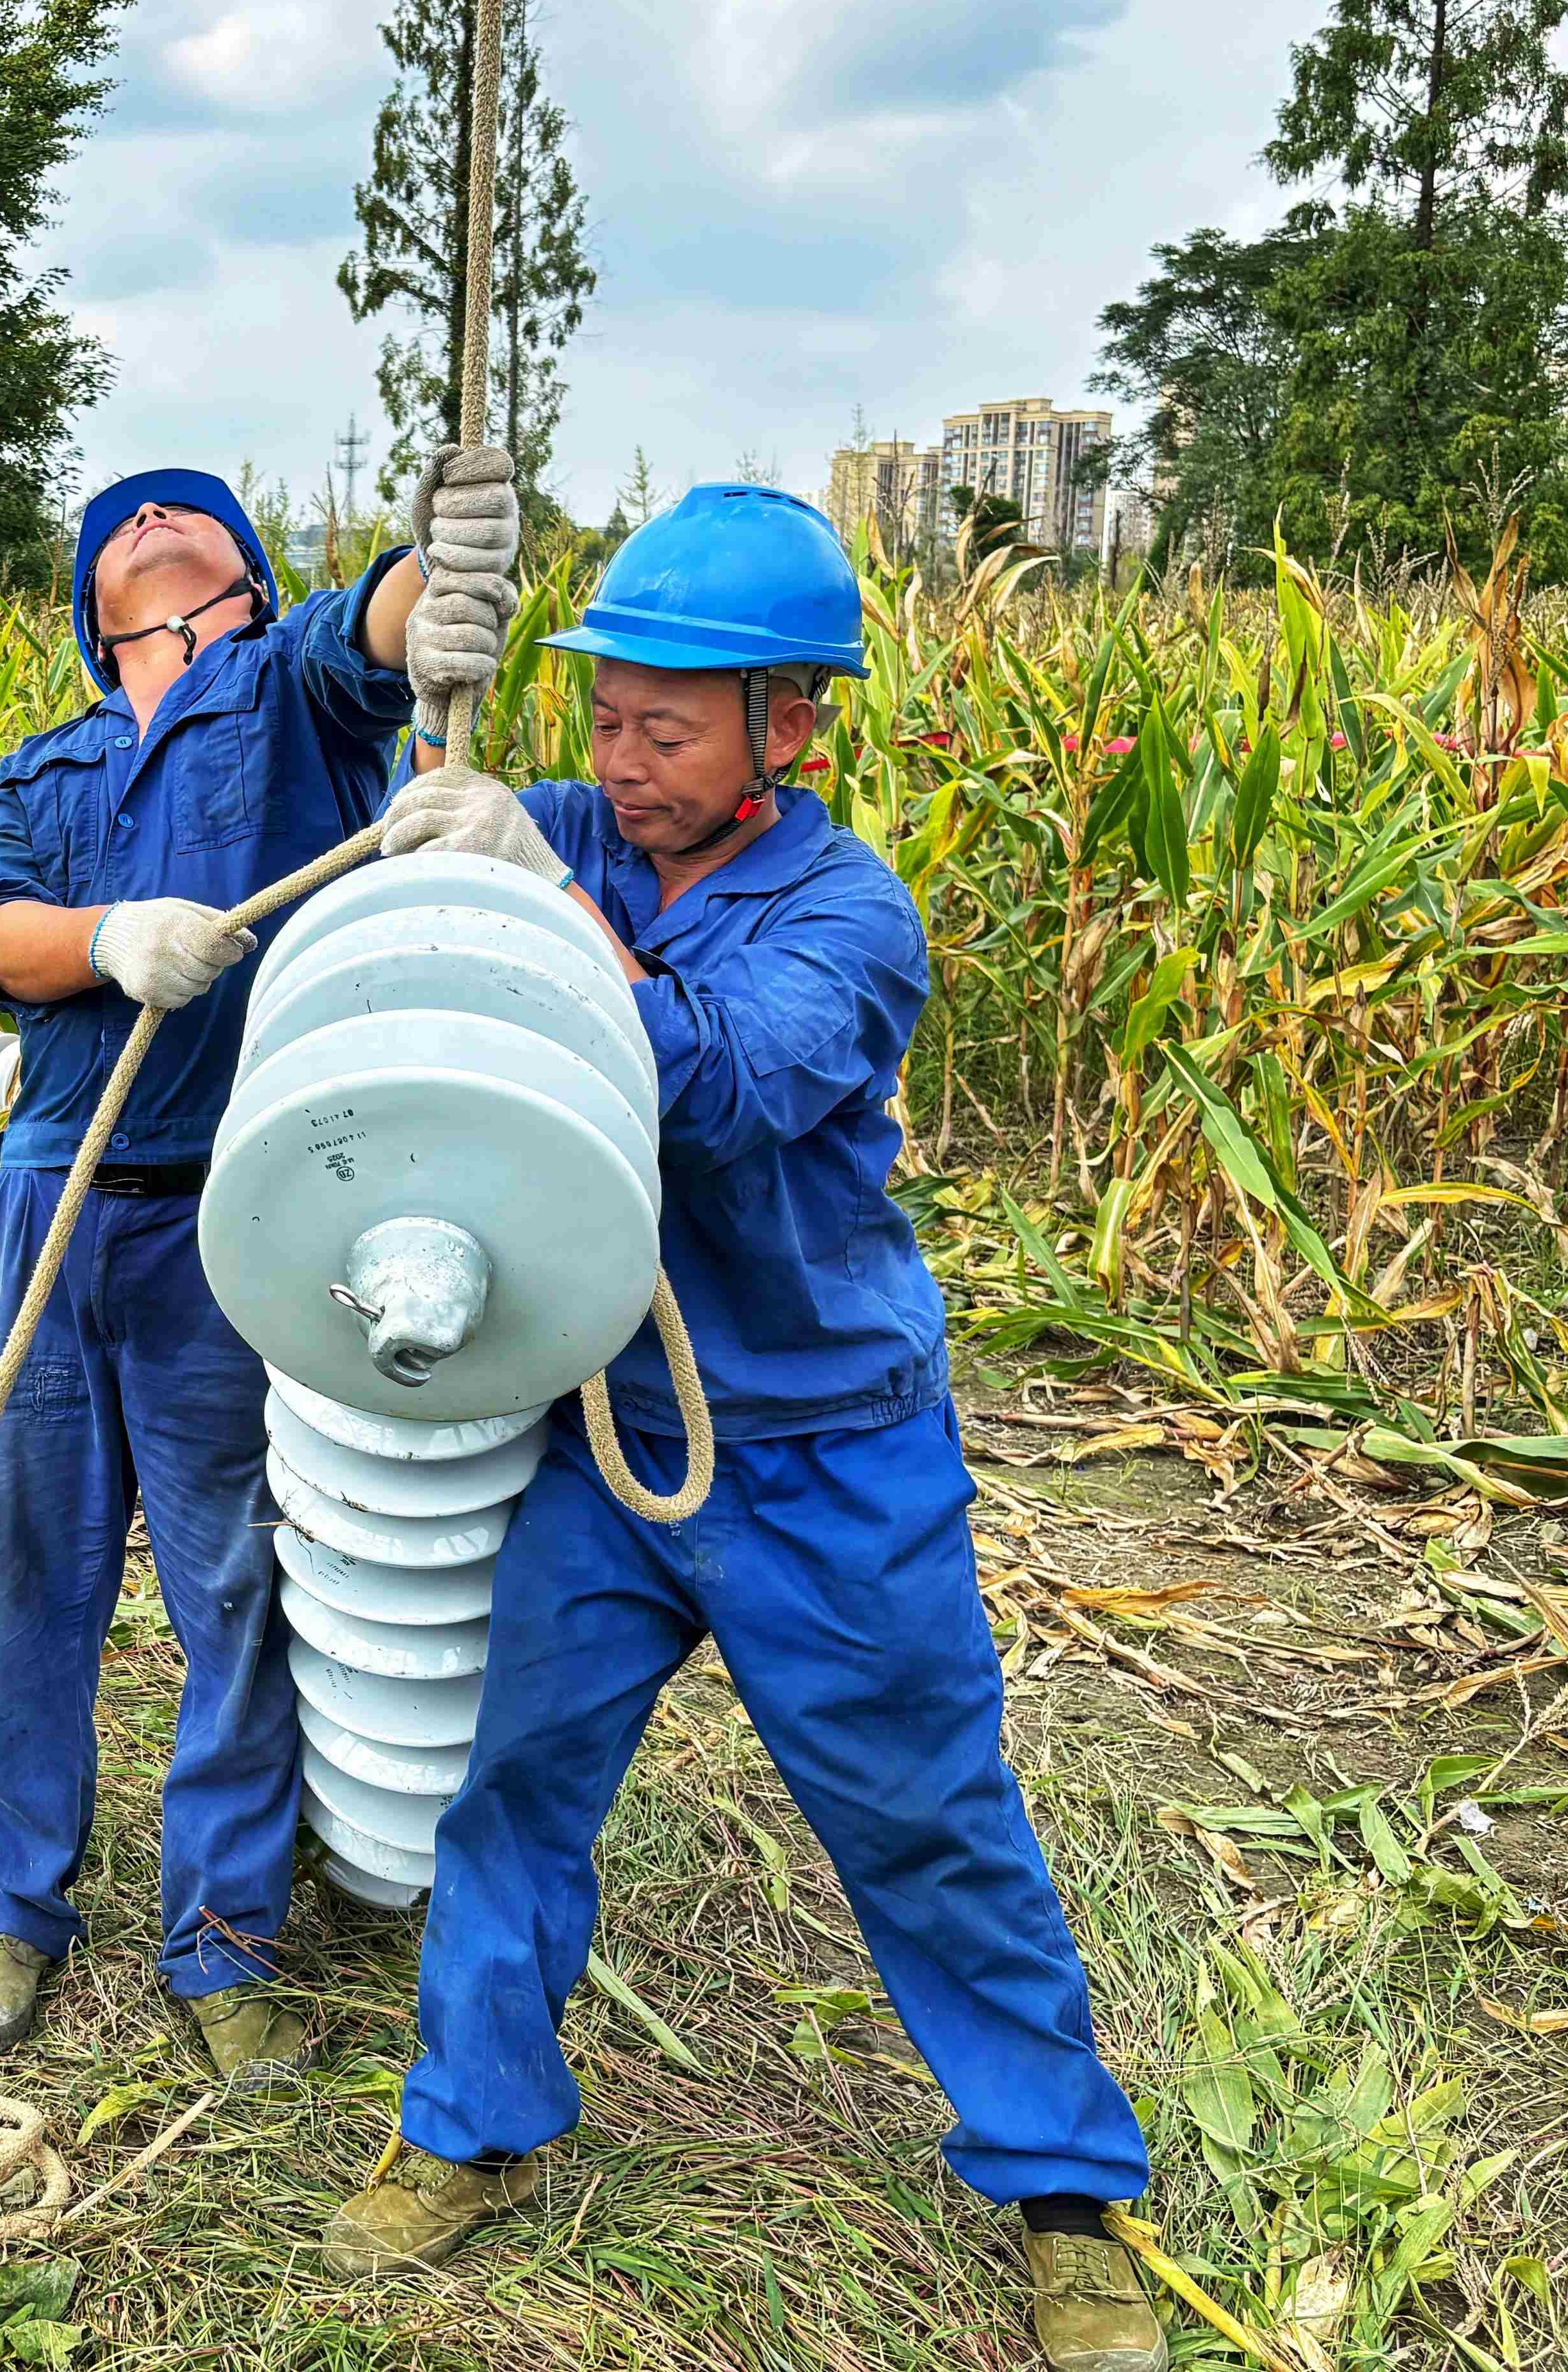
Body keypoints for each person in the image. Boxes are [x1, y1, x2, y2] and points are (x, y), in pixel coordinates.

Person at [323, 483, 1165, 2372]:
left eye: (666, 727)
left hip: (823, 1455)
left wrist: (535, 898)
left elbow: (709, 1081)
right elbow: (393, 857)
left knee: (927, 1822)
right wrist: (410, 682)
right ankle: (471, 2124)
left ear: (789, 725)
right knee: (514, 1783)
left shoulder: (848, 916)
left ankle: (1064, 2191)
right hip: (614, 1446)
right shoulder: (567, 836)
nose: (617, 762)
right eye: (603, 716)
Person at [0, 451, 522, 2090]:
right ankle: (11, 1902)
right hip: (55, 1200)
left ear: (248, 579)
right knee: (21, 1564)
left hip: (238, 1217)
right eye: (119, 517)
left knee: (238, 1583)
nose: (148, 515)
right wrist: (109, 936)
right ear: (89, 611)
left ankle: (224, 1934)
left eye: (185, 509)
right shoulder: (44, 768)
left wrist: (443, 566)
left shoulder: (287, 692)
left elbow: (387, 636)